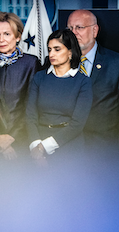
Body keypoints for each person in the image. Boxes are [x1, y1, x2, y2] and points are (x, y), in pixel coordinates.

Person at [66, 9, 119, 167]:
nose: (74, 33)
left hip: (103, 154)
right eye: (70, 29)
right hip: (65, 153)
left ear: (94, 30)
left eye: (79, 28)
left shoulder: (118, 64)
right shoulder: (54, 62)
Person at [0, 12, 43, 160]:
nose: (1, 39)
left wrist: (10, 137)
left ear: (18, 36)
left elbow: (31, 107)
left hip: (20, 140)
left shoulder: (31, 63)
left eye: (7, 34)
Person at [26, 29, 92, 168]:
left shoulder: (83, 81)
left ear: (70, 52)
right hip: (37, 145)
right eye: (49, 49)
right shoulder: (39, 77)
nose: (51, 54)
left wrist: (43, 147)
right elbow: (30, 115)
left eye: (57, 49)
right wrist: (35, 146)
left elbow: (78, 124)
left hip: (69, 148)